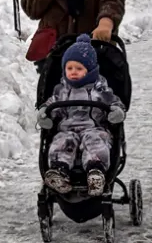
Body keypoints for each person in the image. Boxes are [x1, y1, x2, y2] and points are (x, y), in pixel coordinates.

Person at [41, 34, 126, 197]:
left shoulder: (100, 89)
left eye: (79, 69)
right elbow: (51, 105)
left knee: (95, 141)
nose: (73, 72)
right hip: (68, 130)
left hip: (93, 128)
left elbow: (113, 102)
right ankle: (59, 171)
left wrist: (116, 110)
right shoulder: (61, 90)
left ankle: (96, 171)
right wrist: (45, 113)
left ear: (90, 70)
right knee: (61, 142)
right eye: (69, 68)